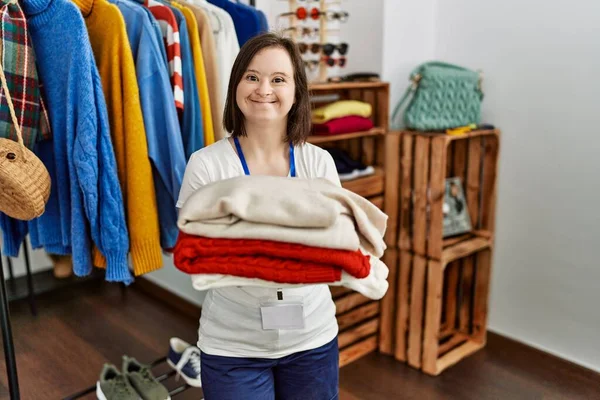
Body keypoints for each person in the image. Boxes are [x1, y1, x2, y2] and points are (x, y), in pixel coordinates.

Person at [176, 32, 341, 400]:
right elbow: (196, 256)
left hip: (313, 338)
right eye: (251, 76)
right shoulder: (206, 165)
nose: (263, 88)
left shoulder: (319, 163)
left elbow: (336, 242)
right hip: (234, 344)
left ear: (296, 90)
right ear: (236, 84)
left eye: (278, 79)